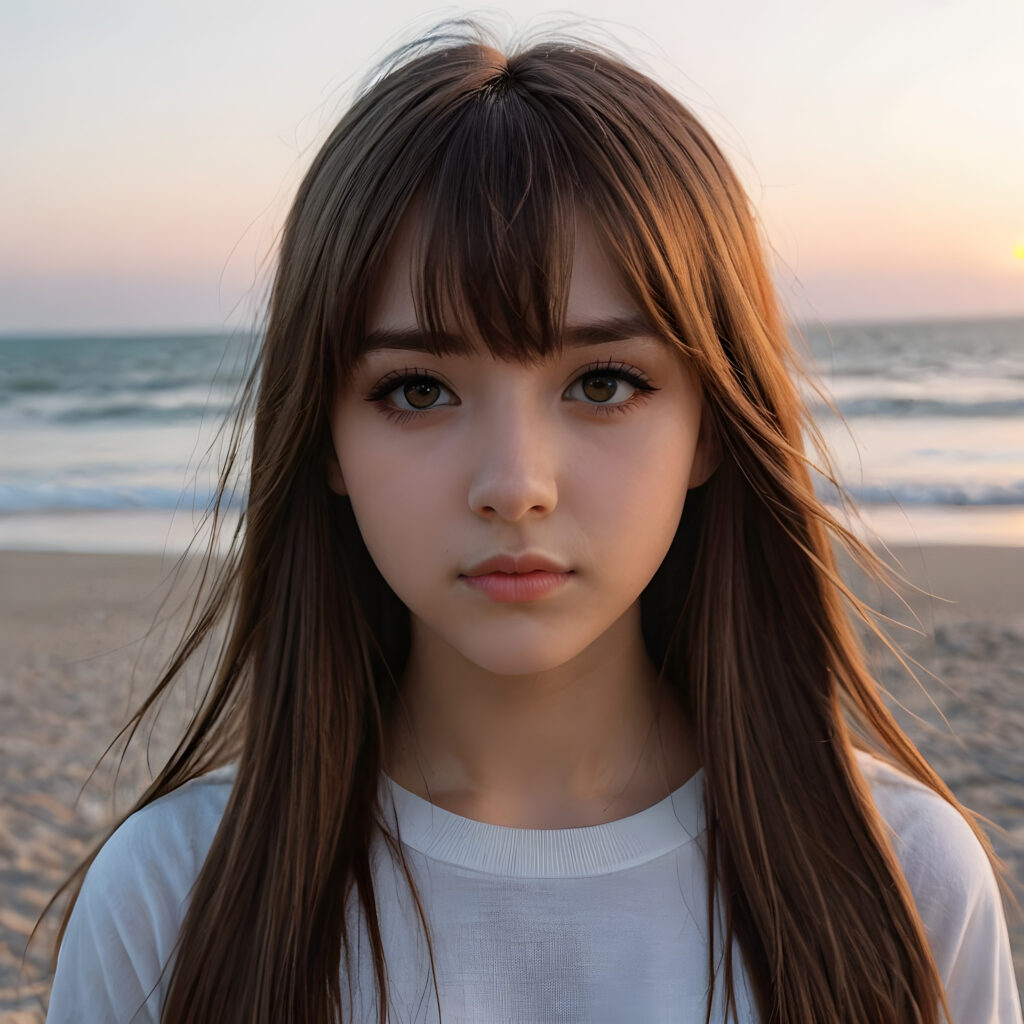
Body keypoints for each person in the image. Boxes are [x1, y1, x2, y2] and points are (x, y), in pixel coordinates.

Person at [44, 24, 1021, 1024]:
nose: (514, 485)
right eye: (417, 390)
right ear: (324, 439)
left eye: (603, 382)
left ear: (712, 427)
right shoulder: (169, 902)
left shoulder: (905, 883)